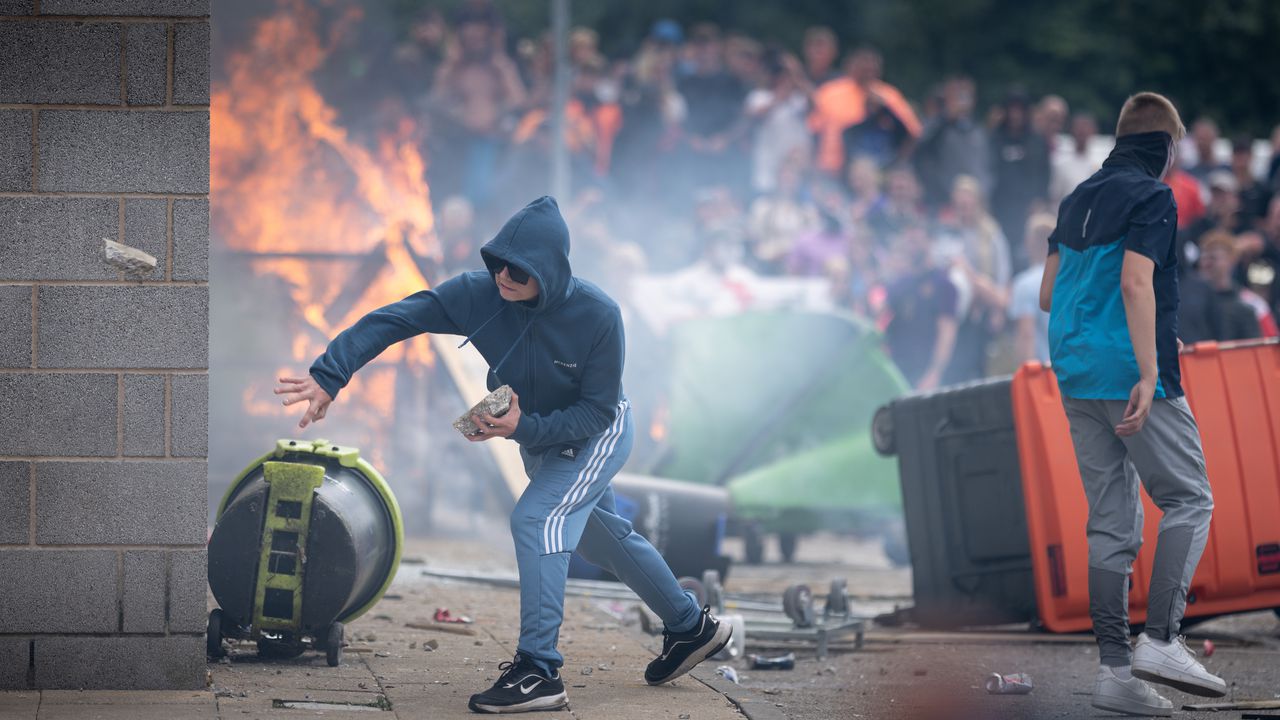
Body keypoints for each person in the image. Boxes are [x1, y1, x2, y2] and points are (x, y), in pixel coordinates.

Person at [275, 197, 731, 714]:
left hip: (596, 432)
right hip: (536, 432)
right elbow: (396, 318)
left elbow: (597, 413)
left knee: (538, 520)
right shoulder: (478, 293)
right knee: (598, 538)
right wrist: (330, 373)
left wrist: (524, 428)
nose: (503, 276)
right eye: (497, 263)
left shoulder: (598, 315)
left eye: (518, 268)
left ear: (551, 269)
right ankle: (691, 627)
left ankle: (540, 670)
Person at [1039, 92, 1225, 716]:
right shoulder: (1154, 196)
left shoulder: (1076, 196)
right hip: (1128, 370)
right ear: (1166, 148)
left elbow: (1048, 293)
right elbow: (1135, 280)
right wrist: (1148, 367)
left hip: (1074, 371)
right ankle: (1163, 639)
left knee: (1112, 524)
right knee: (1189, 497)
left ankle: (1115, 673)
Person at [1009, 212, 1055, 364]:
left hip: (1042, 375)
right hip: (1069, 371)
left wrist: (1027, 372)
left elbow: (1026, 334)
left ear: (1030, 242)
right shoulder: (1069, 280)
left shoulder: (1024, 284)